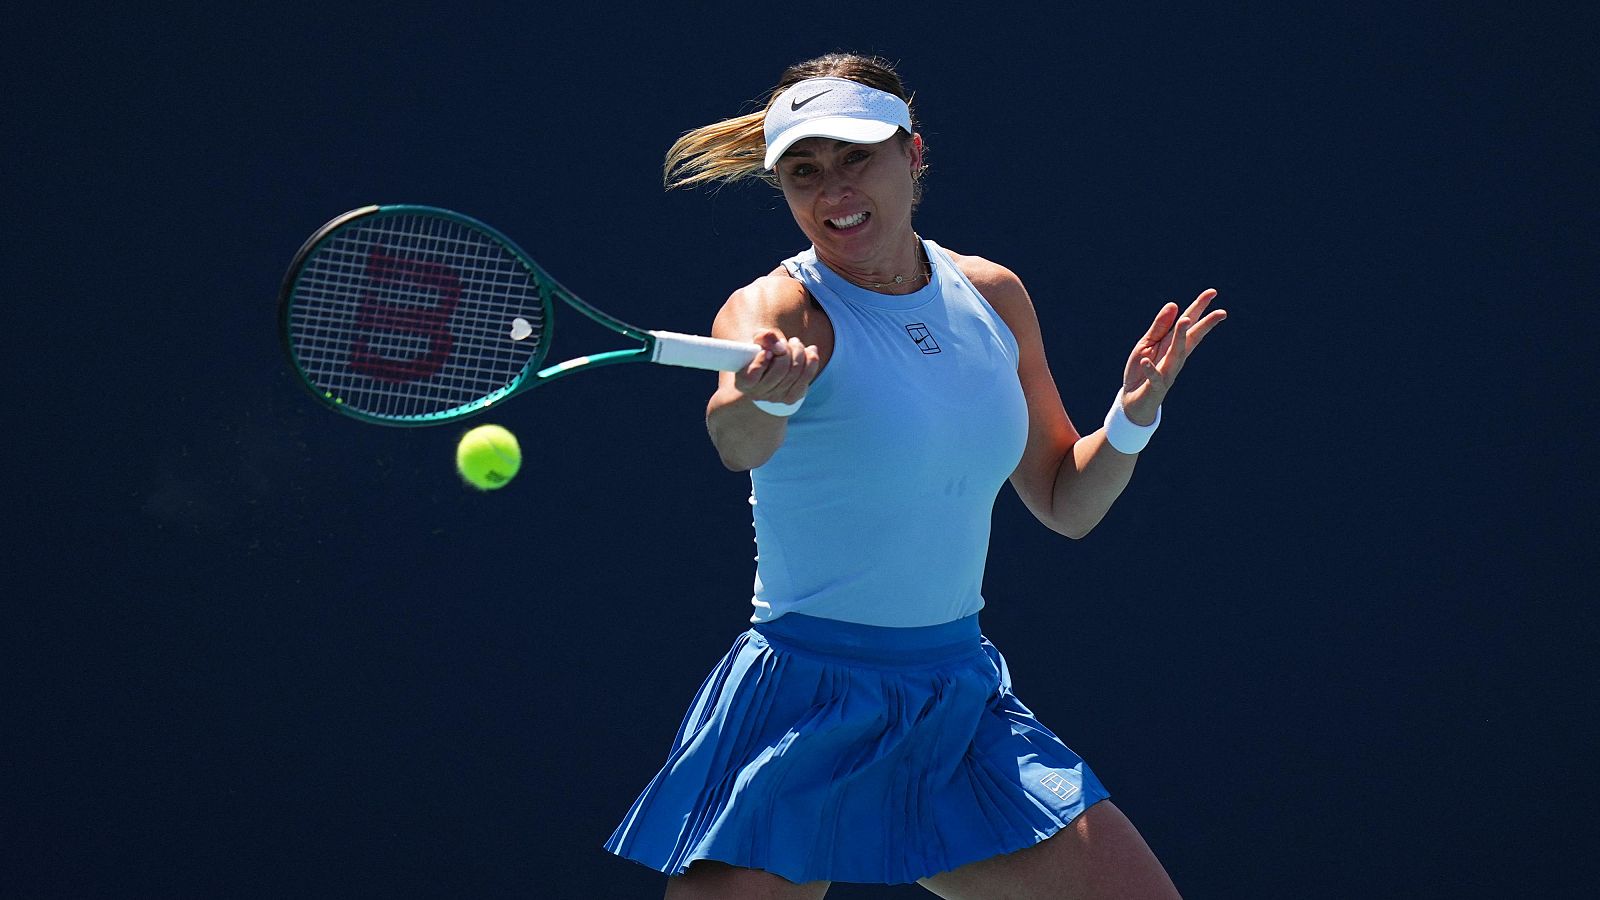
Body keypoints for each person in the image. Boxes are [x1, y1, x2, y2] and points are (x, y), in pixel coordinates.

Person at [605, 53, 1226, 899]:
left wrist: (1131, 417)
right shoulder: (780, 310)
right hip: (802, 702)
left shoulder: (994, 296)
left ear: (913, 154)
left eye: (855, 156)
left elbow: (1064, 500)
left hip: (955, 700)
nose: (832, 191)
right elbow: (736, 440)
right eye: (803, 172)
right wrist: (763, 397)